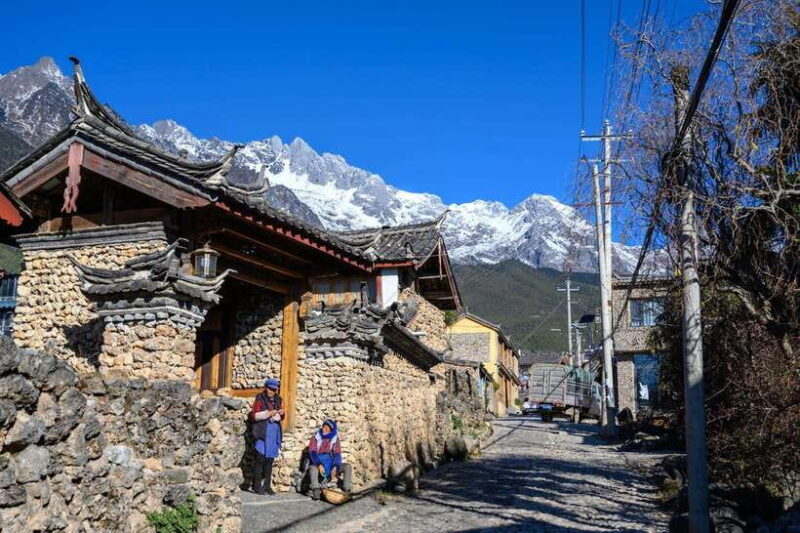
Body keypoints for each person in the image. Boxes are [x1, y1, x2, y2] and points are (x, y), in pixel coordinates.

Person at [249, 378, 285, 495]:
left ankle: (267, 486)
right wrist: (268, 414)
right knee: (260, 459)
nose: (272, 392)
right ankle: (257, 486)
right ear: (266, 388)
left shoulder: (278, 399)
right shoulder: (260, 399)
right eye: (270, 389)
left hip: (273, 433)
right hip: (262, 432)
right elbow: (254, 416)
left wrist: (281, 414)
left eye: (274, 390)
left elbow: (280, 416)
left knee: (269, 460)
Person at [307, 419, 342, 488]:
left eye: (326, 428)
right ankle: (319, 484)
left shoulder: (334, 439)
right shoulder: (316, 437)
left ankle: (330, 480)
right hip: (317, 459)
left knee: (342, 465)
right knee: (323, 459)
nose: (324, 429)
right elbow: (312, 452)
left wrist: (335, 466)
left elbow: (337, 453)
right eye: (323, 427)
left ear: (331, 430)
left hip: (329, 460)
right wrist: (319, 464)